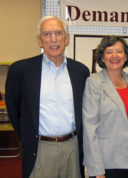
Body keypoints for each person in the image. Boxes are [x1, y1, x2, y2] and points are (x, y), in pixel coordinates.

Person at [5, 16, 90, 178]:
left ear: (66, 39)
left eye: (58, 33)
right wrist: (27, 135)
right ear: (39, 40)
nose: (53, 39)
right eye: (47, 34)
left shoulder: (80, 71)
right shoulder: (21, 70)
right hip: (40, 148)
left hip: (73, 147)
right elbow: (13, 108)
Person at [82, 36, 128, 178]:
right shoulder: (94, 83)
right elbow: (90, 130)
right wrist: (96, 169)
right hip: (109, 163)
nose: (114, 56)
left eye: (119, 51)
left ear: (126, 56)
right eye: (109, 52)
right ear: (102, 57)